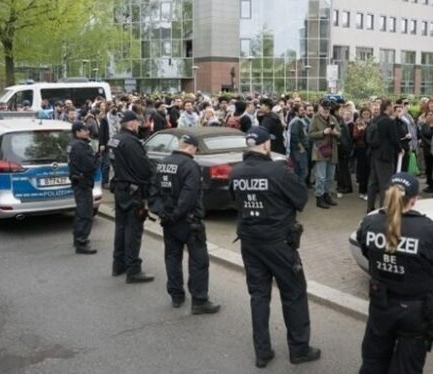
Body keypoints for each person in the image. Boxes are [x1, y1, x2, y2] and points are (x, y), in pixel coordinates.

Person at [228, 126, 320, 368]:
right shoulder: (278, 171)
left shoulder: (235, 173)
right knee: (294, 293)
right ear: (266, 145)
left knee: (258, 295)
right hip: (278, 243)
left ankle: (262, 351)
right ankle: (299, 349)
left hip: (250, 242)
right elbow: (301, 199)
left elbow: (234, 201)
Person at [356, 172, 433, 374]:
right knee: (407, 368)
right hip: (415, 310)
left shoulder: (370, 223)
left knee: (373, 361)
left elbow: (367, 250)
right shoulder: (427, 229)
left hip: (381, 305)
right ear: (415, 199)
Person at [149, 134, 221, 314]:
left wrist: (163, 213)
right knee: (198, 261)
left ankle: (176, 296)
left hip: (169, 221)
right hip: (189, 222)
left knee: (172, 258)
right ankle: (199, 300)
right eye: (195, 150)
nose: (195, 153)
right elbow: (188, 196)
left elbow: (153, 192)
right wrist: (175, 215)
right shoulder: (190, 166)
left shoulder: (163, 163)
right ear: (190, 147)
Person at [110, 110, 155, 283]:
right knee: (133, 231)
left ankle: (118, 263)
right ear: (131, 123)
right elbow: (143, 168)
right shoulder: (131, 142)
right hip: (132, 192)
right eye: (137, 122)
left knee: (121, 228)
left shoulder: (115, 139)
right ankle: (133, 270)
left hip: (121, 189)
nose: (139, 125)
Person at [68, 121, 100, 254]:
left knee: (81, 212)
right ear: (77, 132)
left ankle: (78, 239)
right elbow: (90, 165)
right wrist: (98, 158)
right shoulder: (81, 146)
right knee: (85, 213)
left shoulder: (73, 144)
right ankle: (81, 242)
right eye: (84, 130)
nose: (87, 132)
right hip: (83, 182)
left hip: (78, 181)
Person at [366, 99, 402, 213]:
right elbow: (394, 139)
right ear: (388, 107)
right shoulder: (389, 121)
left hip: (374, 154)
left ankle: (370, 207)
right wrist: (400, 149)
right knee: (385, 183)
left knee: (372, 182)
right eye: (392, 105)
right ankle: (383, 208)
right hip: (385, 156)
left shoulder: (375, 120)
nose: (394, 108)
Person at [308, 99, 341, 209]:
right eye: (324, 108)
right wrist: (323, 132)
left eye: (328, 108)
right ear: (320, 107)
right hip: (320, 150)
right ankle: (319, 197)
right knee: (321, 176)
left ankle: (327, 195)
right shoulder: (315, 118)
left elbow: (340, 133)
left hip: (332, 150)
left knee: (330, 176)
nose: (326, 110)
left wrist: (335, 132)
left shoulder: (333, 118)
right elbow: (310, 134)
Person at [287, 104, 310, 185]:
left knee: (299, 170)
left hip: (298, 150)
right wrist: (301, 147)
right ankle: (299, 190)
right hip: (298, 150)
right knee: (303, 171)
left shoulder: (299, 121)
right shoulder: (296, 122)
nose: (303, 111)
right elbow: (294, 136)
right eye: (301, 110)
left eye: (303, 109)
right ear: (296, 113)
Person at [417, 111, 433, 193]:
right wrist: (429, 143)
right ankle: (430, 184)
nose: (429, 116)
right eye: (428, 115)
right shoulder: (424, 126)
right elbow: (422, 135)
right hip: (427, 148)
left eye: (431, 115)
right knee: (428, 167)